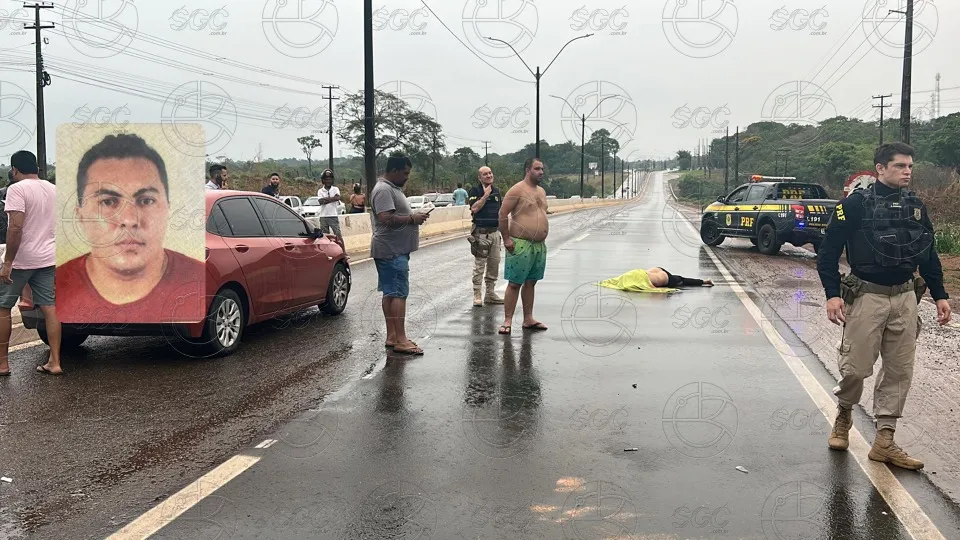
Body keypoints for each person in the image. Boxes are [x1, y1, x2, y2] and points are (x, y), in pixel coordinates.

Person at [817, 142, 951, 470]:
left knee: (899, 371)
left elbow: (928, 254)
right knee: (856, 368)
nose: (907, 171)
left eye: (910, 167)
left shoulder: (917, 207)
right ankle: (844, 415)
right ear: (880, 168)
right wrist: (832, 294)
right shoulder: (854, 206)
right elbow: (828, 251)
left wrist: (940, 294)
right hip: (866, 296)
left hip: (906, 297)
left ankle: (884, 441)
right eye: (900, 166)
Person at [57, 133, 206, 325]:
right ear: (80, 214)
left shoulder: (199, 282)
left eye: (146, 201)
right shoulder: (58, 286)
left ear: (168, 208)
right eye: (108, 202)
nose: (129, 219)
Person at [0, 150, 61, 375]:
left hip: (22, 260)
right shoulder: (53, 189)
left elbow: (15, 227)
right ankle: (55, 362)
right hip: (47, 258)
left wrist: (8, 263)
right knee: (50, 307)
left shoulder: (17, 189)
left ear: (15, 170)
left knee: (3, 307)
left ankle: (3, 364)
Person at [370, 156, 429, 355]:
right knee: (398, 294)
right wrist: (413, 218)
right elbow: (385, 218)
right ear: (394, 170)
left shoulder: (390, 188)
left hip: (393, 249)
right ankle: (401, 339)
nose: (407, 177)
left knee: (391, 292)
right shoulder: (384, 189)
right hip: (391, 251)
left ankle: (393, 336)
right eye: (405, 173)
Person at [498, 158, 549, 335]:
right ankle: (507, 320)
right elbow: (503, 214)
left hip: (538, 245)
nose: (541, 172)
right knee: (514, 283)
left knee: (531, 282)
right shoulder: (517, 189)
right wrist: (506, 239)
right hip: (520, 243)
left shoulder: (541, 191)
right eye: (537, 169)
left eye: (542, 169)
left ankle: (528, 318)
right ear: (528, 170)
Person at [467, 167, 504, 307]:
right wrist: (485, 195)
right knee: (479, 265)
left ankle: (490, 293)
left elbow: (500, 212)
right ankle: (477, 294)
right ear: (479, 177)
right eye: (485, 174)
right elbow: (474, 209)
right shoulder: (475, 191)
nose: (489, 176)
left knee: (494, 264)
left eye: (490, 173)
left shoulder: (497, 191)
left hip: (495, 232)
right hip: (480, 233)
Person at [316, 169, 343, 241]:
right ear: (323, 180)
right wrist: (332, 198)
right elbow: (321, 201)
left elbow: (337, 198)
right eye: (326, 179)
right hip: (323, 216)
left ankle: (342, 250)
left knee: (338, 235)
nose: (328, 181)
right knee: (325, 237)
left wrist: (326, 199)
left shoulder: (335, 189)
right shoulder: (320, 191)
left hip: (333, 215)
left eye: (330, 179)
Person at [647, 267, 713, 288]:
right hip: (657, 270)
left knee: (681, 280)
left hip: (665, 278)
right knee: (680, 279)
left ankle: (704, 282)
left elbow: (652, 287)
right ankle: (704, 281)